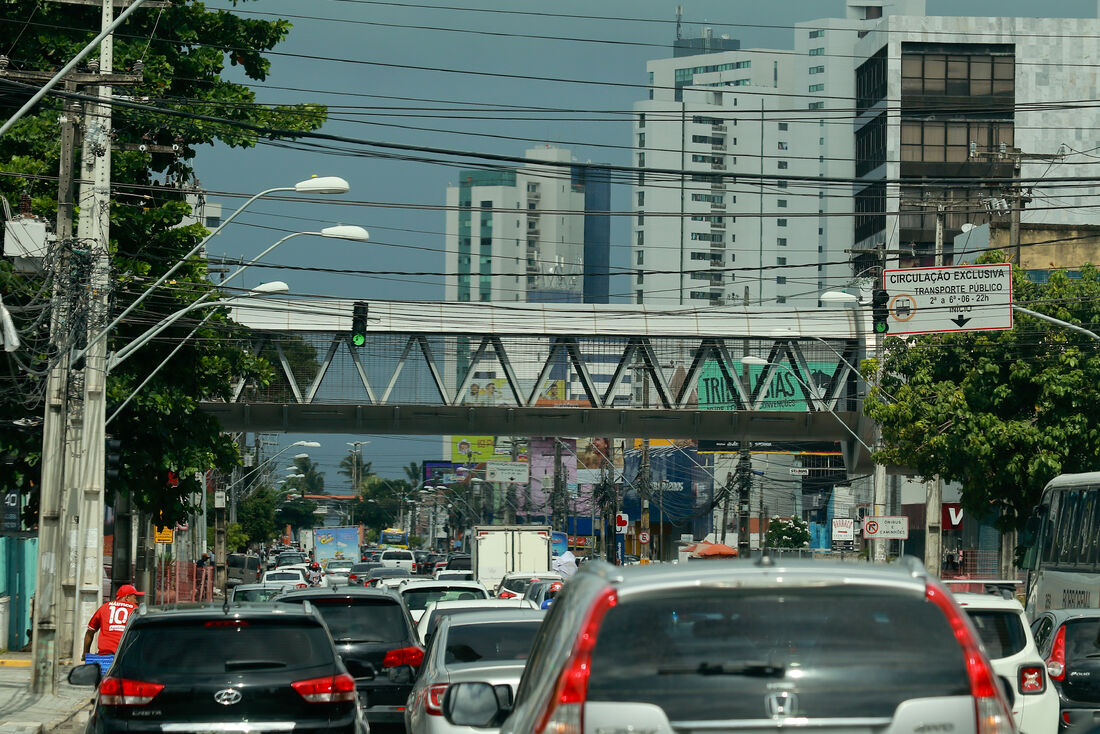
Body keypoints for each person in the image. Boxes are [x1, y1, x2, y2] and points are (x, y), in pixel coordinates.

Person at [83, 584, 143, 660]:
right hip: (127, 656)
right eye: (135, 598)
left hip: (105, 656)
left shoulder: (104, 607)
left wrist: (85, 654)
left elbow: (90, 632)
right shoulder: (135, 609)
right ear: (127, 597)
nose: (136, 601)